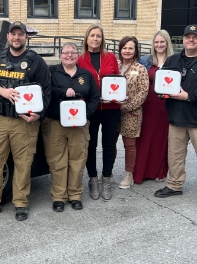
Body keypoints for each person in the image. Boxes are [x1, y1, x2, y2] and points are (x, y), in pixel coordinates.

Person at [0, 21, 51, 221]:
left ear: (26, 37)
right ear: (7, 37)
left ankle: (21, 203)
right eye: (13, 34)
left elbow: (47, 92)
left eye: (20, 34)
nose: (16, 38)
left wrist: (38, 114)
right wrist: (1, 91)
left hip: (25, 121)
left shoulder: (36, 61)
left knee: (23, 164)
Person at [154, 24, 197, 210]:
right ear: (183, 40)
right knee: (175, 155)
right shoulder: (173, 60)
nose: (191, 40)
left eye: (195, 37)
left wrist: (190, 96)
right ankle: (175, 185)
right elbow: (162, 82)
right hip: (177, 116)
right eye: (187, 37)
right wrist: (162, 93)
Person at [42, 42, 100, 212]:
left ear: (77, 55)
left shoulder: (86, 75)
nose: (69, 55)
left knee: (77, 160)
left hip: (79, 125)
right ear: (60, 55)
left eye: (73, 52)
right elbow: (45, 90)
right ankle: (59, 196)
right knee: (57, 160)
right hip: (55, 123)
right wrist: (63, 91)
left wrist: (85, 115)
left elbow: (95, 97)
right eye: (66, 52)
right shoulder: (51, 72)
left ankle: (75, 195)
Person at [77, 24, 121, 200]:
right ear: (86, 38)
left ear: (102, 39)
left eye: (98, 36)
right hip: (91, 108)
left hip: (111, 108)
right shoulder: (80, 59)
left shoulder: (110, 57)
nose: (95, 39)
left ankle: (107, 179)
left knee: (109, 145)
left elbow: (118, 79)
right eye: (92, 35)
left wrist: (120, 96)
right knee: (91, 144)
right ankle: (93, 179)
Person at [134, 30, 174, 183]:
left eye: (162, 42)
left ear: (167, 43)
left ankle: (158, 170)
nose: (159, 45)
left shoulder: (175, 60)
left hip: (166, 105)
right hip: (147, 104)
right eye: (156, 42)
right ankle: (141, 172)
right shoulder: (146, 60)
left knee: (161, 138)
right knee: (144, 137)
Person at [116, 36, 149, 189]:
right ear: (120, 49)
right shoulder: (114, 66)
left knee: (129, 146)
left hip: (131, 112)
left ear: (135, 51)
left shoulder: (140, 69)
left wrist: (126, 107)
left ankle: (129, 173)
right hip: (112, 112)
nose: (127, 51)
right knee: (110, 143)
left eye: (130, 48)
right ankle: (107, 172)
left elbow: (143, 92)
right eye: (124, 48)